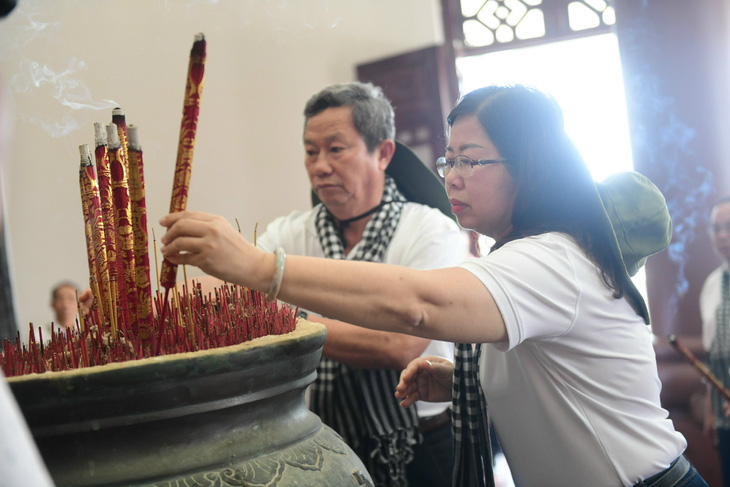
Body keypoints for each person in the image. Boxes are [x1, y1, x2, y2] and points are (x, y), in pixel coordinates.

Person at [159, 84, 708, 487]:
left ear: (531, 168)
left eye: (471, 160)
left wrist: (258, 268)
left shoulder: (554, 259)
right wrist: (463, 380)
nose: (451, 176)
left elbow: (418, 305)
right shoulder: (522, 256)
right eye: (450, 160)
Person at [199, 82, 467, 486]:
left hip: (422, 441)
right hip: (326, 438)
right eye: (310, 151)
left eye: (335, 149)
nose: (319, 166)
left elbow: (399, 345)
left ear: (383, 153)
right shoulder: (293, 232)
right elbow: (224, 289)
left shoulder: (429, 231)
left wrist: (284, 317)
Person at [700, 196, 730, 487]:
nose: (722, 235)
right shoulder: (710, 285)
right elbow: (710, 356)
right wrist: (710, 411)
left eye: (729, 226)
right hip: (725, 420)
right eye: (715, 228)